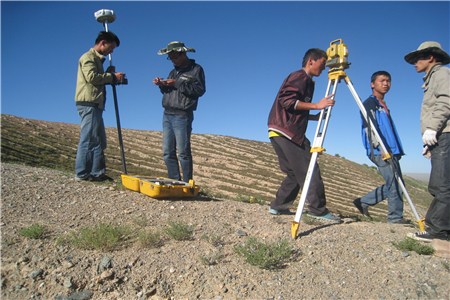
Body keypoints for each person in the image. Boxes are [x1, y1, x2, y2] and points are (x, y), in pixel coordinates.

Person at [267, 48, 340, 222]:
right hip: (289, 132)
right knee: (310, 169)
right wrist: (316, 106)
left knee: (293, 172)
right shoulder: (300, 76)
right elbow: (287, 101)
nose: (323, 68)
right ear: (311, 61)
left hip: (278, 130)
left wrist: (313, 115)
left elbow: (294, 106)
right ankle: (317, 209)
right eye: (322, 64)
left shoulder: (305, 80)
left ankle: (278, 206)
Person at [404, 41, 450, 242]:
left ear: (431, 57)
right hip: (441, 136)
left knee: (440, 185)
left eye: (417, 58)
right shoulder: (432, 78)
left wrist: (433, 128)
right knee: (441, 183)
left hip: (444, 135)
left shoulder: (441, 74)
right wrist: (429, 141)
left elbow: (446, 100)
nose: (414, 62)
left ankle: (438, 230)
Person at [353, 71, 409, 225]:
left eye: (388, 81)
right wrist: (382, 148)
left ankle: (363, 202)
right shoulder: (370, 104)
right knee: (395, 182)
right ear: (373, 84)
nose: (386, 84)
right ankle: (395, 217)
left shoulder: (383, 105)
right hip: (381, 150)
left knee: (396, 182)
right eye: (382, 81)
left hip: (391, 149)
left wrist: (397, 149)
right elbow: (370, 128)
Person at [74, 31, 126, 182]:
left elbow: (96, 77)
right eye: (111, 47)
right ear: (103, 42)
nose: (112, 51)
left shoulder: (96, 60)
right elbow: (92, 78)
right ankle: (82, 174)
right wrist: (112, 77)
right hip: (89, 103)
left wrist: (108, 74)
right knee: (89, 138)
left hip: (95, 104)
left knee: (98, 140)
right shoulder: (88, 57)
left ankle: (97, 173)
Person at [153, 41, 206, 182]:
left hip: (182, 115)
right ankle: (174, 181)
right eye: (170, 58)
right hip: (167, 114)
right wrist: (162, 85)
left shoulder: (196, 69)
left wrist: (176, 83)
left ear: (184, 54)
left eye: (175, 57)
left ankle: (187, 183)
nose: (172, 60)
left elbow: (199, 90)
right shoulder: (173, 71)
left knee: (183, 152)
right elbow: (169, 91)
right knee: (167, 151)